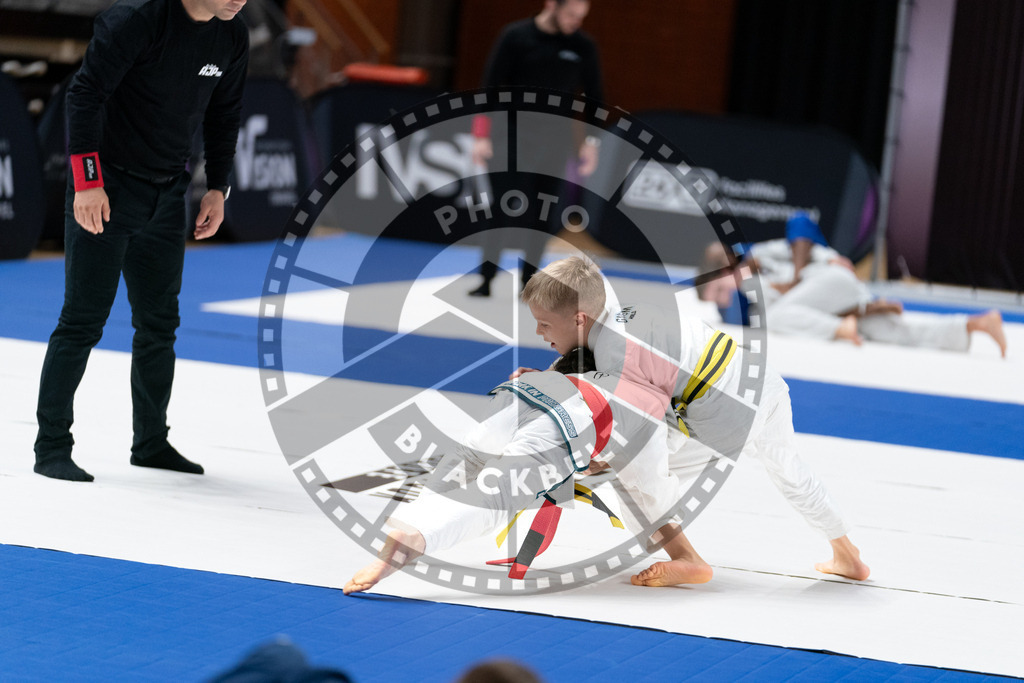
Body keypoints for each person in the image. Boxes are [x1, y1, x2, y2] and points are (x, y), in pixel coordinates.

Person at [518, 255, 871, 587]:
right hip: (764, 383)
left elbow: (647, 426)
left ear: (579, 319)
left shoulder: (614, 353)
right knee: (790, 471)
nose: (538, 331)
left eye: (544, 323)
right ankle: (847, 554)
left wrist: (601, 458)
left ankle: (687, 557)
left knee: (626, 473)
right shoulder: (630, 313)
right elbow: (601, 366)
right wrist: (550, 378)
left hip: (727, 413)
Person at [33, 0, 249, 482]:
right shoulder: (137, 20)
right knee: (82, 320)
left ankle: (150, 441)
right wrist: (87, 182)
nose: (241, 0)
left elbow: (224, 111)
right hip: (107, 187)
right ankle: (51, 446)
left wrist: (217, 186)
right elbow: (84, 94)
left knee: (160, 323)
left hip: (169, 191)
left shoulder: (232, 36)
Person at [344, 347, 693, 595]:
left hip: (524, 389)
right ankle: (416, 540)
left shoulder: (600, 357)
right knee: (499, 498)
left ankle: (412, 520)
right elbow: (649, 475)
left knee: (466, 460)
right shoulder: (656, 410)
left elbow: (564, 368)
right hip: (567, 417)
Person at [700, 214, 1007, 356]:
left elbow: (805, 241)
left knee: (776, 319)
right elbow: (803, 307)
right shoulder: (748, 294)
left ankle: (844, 326)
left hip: (829, 280)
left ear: (724, 270)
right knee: (897, 334)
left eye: (717, 290)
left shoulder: (758, 257)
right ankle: (976, 324)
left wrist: (830, 258)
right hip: (836, 299)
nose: (720, 299)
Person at [468, 0, 605, 297]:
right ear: (552, 5)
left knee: (542, 213)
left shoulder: (583, 46)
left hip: (555, 140)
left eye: (581, 17)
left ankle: (528, 282)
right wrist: (481, 135)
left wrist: (591, 144)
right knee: (501, 207)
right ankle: (486, 278)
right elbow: (490, 86)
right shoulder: (515, 36)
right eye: (570, 15)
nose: (575, 22)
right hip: (511, 135)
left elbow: (595, 98)